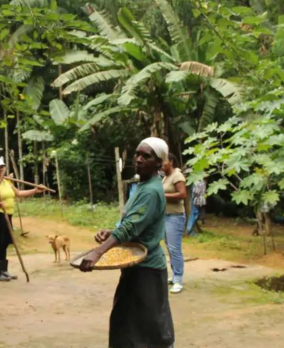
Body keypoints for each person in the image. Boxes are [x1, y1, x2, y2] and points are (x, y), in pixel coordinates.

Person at [80, 137, 175, 348]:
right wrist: (112, 232)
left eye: (146, 156)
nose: (139, 159)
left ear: (159, 162)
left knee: (149, 333)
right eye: (137, 154)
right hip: (135, 267)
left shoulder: (150, 190)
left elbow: (130, 228)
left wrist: (98, 252)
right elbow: (136, 225)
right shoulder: (142, 186)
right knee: (127, 327)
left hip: (147, 270)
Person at [0, 157, 45, 282]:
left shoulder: (7, 181)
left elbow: (19, 193)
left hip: (8, 215)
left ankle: (4, 271)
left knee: (5, 243)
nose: (1, 169)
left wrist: (35, 190)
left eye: (2, 167)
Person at [162, 153, 187, 294]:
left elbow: (183, 194)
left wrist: (163, 195)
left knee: (175, 249)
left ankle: (178, 280)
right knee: (170, 248)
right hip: (166, 216)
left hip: (175, 217)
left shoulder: (177, 175)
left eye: (164, 162)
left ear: (170, 161)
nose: (162, 165)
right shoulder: (165, 177)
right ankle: (174, 275)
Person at [185, 168, 206, 235]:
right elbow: (196, 192)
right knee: (194, 213)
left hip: (199, 200)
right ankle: (189, 230)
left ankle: (190, 229)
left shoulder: (200, 180)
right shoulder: (197, 181)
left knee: (196, 213)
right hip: (196, 199)